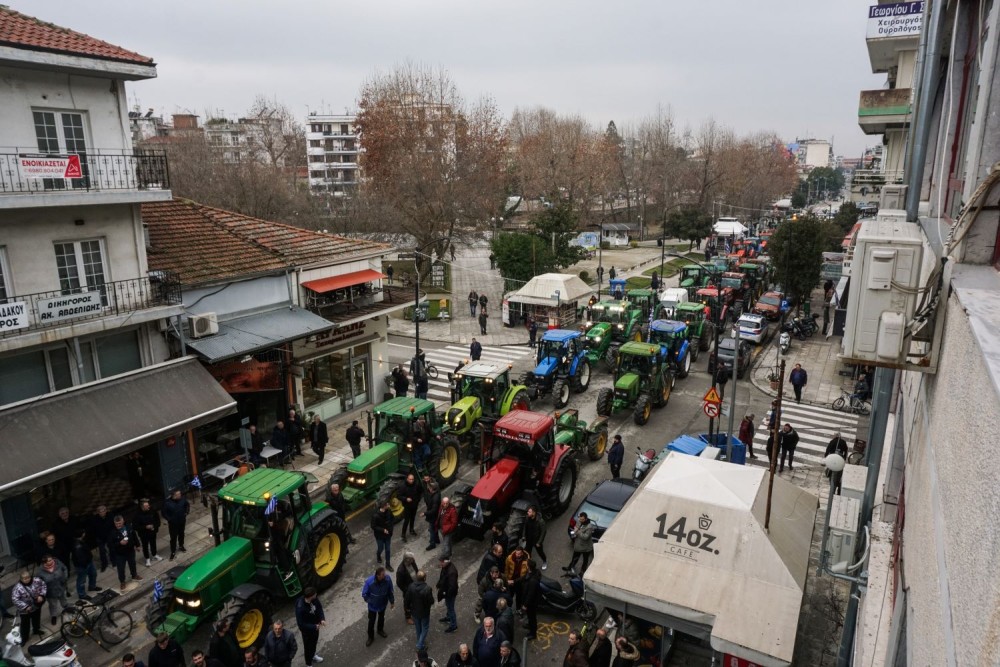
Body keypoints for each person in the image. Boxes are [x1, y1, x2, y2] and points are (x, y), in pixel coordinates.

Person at [361, 566, 395, 647]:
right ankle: (370, 637)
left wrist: (392, 601)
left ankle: (380, 630)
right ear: (378, 575)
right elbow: (364, 594)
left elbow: (390, 591)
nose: (385, 575)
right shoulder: (369, 582)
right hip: (372, 607)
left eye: (385, 573)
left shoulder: (387, 579)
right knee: (371, 621)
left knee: (381, 617)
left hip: (383, 604)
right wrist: (370, 601)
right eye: (383, 574)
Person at [109, 514, 142, 591]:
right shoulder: (112, 532)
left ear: (123, 521)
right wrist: (119, 543)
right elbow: (111, 545)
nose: (118, 525)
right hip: (120, 554)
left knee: (132, 564)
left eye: (119, 523)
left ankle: (134, 575)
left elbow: (134, 536)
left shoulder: (128, 527)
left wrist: (137, 545)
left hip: (130, 550)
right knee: (121, 569)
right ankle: (122, 582)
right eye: (116, 524)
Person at [294, 587, 325, 667]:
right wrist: (314, 627)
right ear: (310, 596)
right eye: (315, 594)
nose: (316, 595)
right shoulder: (300, 608)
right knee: (308, 647)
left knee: (314, 643)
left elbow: (319, 608)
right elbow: (301, 624)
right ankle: (308, 664)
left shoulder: (314, 599)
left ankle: (313, 656)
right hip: (307, 631)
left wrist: (322, 619)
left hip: (316, 626)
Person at [405, 570, 435, 652]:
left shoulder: (411, 586)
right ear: (424, 578)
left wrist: (407, 608)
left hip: (414, 612)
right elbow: (431, 601)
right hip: (424, 612)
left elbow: (407, 599)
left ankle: (420, 642)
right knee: (425, 627)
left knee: (418, 628)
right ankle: (419, 644)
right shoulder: (427, 589)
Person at [12, 571, 45, 643]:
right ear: (21, 579)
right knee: (25, 624)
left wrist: (41, 595)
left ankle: (36, 630)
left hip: (36, 606)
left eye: (28, 577)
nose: (27, 579)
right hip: (25, 611)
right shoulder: (17, 588)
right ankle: (24, 638)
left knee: (36, 619)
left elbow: (43, 585)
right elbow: (15, 599)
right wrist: (25, 607)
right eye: (24, 578)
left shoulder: (37, 580)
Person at [38, 555, 69, 626]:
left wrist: (65, 578)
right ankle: (53, 616)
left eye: (51, 559)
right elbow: (39, 583)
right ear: (44, 562)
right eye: (48, 561)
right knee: (53, 604)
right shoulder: (40, 571)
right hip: (50, 591)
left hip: (61, 587)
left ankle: (67, 608)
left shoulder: (58, 563)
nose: (51, 561)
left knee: (63, 599)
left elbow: (64, 568)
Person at [70, 529, 101, 600]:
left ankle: (92, 586)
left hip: (88, 562)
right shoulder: (77, 545)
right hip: (83, 565)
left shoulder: (80, 541)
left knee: (93, 573)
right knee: (81, 580)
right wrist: (85, 564)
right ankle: (82, 595)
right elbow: (80, 557)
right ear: (82, 534)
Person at [162, 488, 190, 560]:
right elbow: (164, 513)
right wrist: (170, 519)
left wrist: (186, 512)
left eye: (180, 494)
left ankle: (181, 545)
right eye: (178, 494)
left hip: (181, 521)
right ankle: (173, 551)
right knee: (173, 537)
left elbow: (187, 505)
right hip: (173, 524)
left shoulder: (182, 499)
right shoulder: (167, 503)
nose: (180, 495)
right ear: (174, 495)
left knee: (181, 534)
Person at [136, 499, 163, 567]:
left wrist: (154, 526)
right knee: (145, 546)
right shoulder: (138, 515)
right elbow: (135, 526)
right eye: (147, 506)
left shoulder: (152, 511)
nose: (149, 506)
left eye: (148, 505)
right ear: (142, 507)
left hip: (152, 532)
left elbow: (158, 521)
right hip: (144, 534)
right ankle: (147, 558)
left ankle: (154, 554)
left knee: (153, 544)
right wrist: (145, 527)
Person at [436, 554, 459, 633]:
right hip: (447, 593)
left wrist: (446, 594)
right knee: (449, 606)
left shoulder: (451, 572)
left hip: (450, 594)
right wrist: (439, 584)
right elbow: (442, 577)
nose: (440, 563)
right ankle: (449, 617)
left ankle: (453, 625)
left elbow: (452, 587)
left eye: (441, 562)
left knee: (451, 608)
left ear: (446, 562)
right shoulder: (445, 567)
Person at [520, 560, 542, 641]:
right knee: (530, 617)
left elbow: (530, 595)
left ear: (528, 567)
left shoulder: (533, 580)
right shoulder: (533, 573)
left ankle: (533, 633)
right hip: (532, 602)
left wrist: (525, 605)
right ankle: (530, 625)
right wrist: (514, 581)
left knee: (532, 617)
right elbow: (523, 578)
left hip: (531, 604)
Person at [89, 504, 114, 572]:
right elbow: (93, 529)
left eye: (104, 511)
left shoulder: (110, 515)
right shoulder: (95, 519)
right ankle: (104, 564)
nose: (102, 513)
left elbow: (112, 525)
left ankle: (113, 561)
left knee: (111, 548)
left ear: (106, 511)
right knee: (102, 551)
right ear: (98, 512)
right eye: (100, 512)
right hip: (100, 536)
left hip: (109, 535)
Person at [396, 552, 419, 623]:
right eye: (412, 559)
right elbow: (399, 583)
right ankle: (408, 617)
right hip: (408, 589)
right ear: (407, 560)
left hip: (415, 584)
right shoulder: (401, 570)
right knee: (407, 603)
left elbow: (416, 570)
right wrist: (406, 590)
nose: (413, 560)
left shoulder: (412, 562)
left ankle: (415, 610)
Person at [371, 501, 394, 569]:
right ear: (384, 506)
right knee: (381, 548)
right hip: (379, 536)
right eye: (387, 504)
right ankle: (378, 555)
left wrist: (390, 528)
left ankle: (388, 564)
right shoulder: (375, 516)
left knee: (388, 550)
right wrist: (383, 530)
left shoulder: (389, 511)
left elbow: (392, 519)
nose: (389, 505)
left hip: (388, 535)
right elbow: (373, 526)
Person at [401, 473, 423, 541]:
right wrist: (406, 499)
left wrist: (418, 500)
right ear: (407, 479)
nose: (411, 481)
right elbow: (399, 496)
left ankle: (411, 530)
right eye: (410, 479)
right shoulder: (403, 486)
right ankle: (403, 534)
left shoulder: (416, 484)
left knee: (413, 518)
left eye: (412, 479)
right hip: (407, 506)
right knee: (406, 520)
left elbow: (420, 491)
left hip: (414, 505)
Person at [423, 479, 442, 550]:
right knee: (435, 527)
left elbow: (434, 510)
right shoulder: (436, 494)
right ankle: (437, 539)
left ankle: (432, 543)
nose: (428, 488)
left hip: (433, 516)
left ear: (432, 489)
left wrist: (425, 513)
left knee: (431, 529)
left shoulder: (435, 498)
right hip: (435, 515)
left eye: (429, 487)